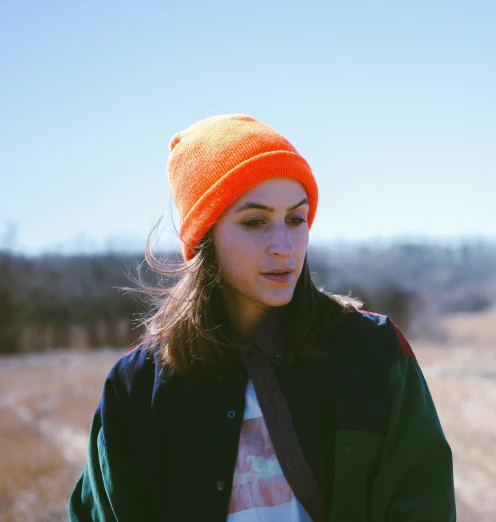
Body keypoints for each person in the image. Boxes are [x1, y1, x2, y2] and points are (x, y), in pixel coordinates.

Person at [68, 114, 456, 521]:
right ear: (205, 236)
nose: (285, 246)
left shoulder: (373, 352)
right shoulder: (136, 389)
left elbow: (423, 503)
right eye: (255, 222)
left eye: (295, 219)